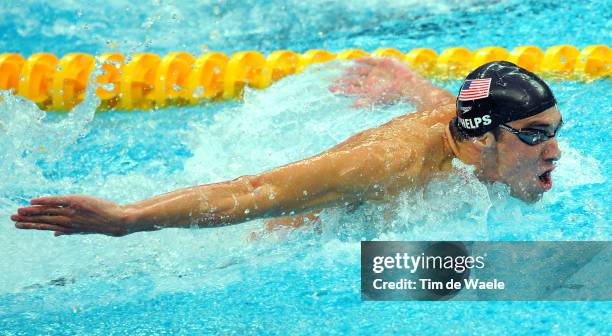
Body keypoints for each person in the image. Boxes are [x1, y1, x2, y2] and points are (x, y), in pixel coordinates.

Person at [10, 59, 562, 237]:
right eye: (536, 135)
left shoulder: (473, 133)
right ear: (485, 140)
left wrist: (407, 84)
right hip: (265, 238)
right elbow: (253, 191)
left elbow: (452, 104)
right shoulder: (390, 163)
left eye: (556, 129)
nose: (554, 150)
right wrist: (127, 218)